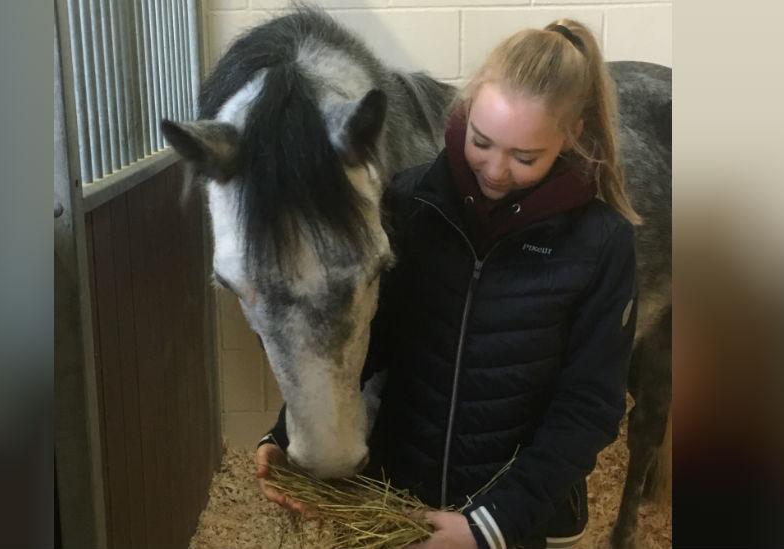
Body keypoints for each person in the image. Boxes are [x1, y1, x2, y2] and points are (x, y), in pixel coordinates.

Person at [256, 18, 639, 549]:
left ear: (572, 135)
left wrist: (491, 524)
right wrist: (289, 431)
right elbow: (367, 339)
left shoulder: (601, 243)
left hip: (514, 519)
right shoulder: (412, 201)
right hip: (399, 500)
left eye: (525, 157)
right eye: (481, 141)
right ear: (466, 109)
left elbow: (589, 406)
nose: (496, 170)